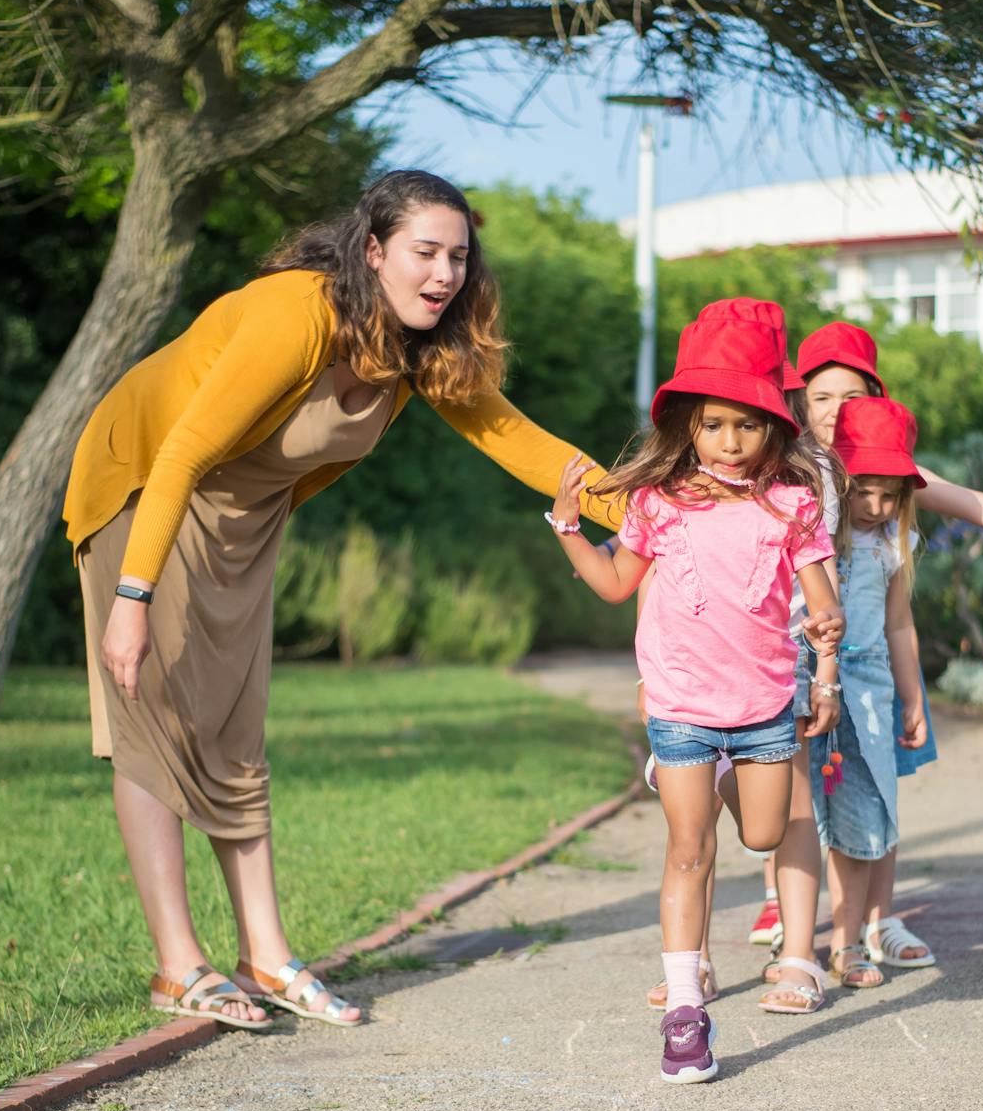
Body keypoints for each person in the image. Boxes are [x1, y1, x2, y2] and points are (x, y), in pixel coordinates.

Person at [64, 169, 613, 1030]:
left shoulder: (420, 350)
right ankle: (177, 966)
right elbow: (179, 454)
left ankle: (267, 956)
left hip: (244, 519)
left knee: (234, 730)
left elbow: (530, 448)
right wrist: (130, 598)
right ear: (372, 250)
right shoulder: (299, 312)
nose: (443, 275)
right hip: (147, 493)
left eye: (458, 258)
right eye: (423, 253)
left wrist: (663, 509)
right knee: (156, 725)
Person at [759, 321, 983, 1014]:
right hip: (795, 668)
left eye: (851, 393)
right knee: (792, 803)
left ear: (875, 398)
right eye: (821, 394)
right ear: (799, 402)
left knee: (872, 797)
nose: (834, 409)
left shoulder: (889, 480)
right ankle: (788, 916)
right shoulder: (788, 468)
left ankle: (870, 923)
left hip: (866, 675)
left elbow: (981, 509)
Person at [544, 299, 843, 1083]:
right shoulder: (659, 503)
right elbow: (614, 586)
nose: (730, 442)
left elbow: (821, 601)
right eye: (713, 425)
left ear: (773, 428)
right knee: (688, 850)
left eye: (746, 425)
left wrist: (826, 645)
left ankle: (720, 779)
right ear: (688, 426)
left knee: (764, 836)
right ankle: (686, 1014)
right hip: (680, 708)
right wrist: (570, 530)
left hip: (764, 710)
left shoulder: (791, 504)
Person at [806, 395, 928, 982]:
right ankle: (798, 946)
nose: (877, 507)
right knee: (800, 821)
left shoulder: (891, 546)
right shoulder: (812, 535)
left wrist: (912, 699)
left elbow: (899, 624)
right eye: (865, 491)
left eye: (890, 495)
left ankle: (848, 943)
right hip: (808, 686)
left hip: (871, 694)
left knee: (860, 819)